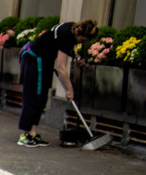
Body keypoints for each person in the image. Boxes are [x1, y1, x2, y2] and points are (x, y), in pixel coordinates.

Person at [17, 19, 96, 148]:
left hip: (44, 61)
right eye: (82, 40)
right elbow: (61, 67)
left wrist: (77, 58)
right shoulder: (67, 35)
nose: (82, 43)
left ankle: (32, 133)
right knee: (34, 96)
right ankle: (25, 135)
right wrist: (69, 89)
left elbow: (63, 48)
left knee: (41, 97)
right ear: (77, 32)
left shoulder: (71, 29)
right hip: (34, 59)